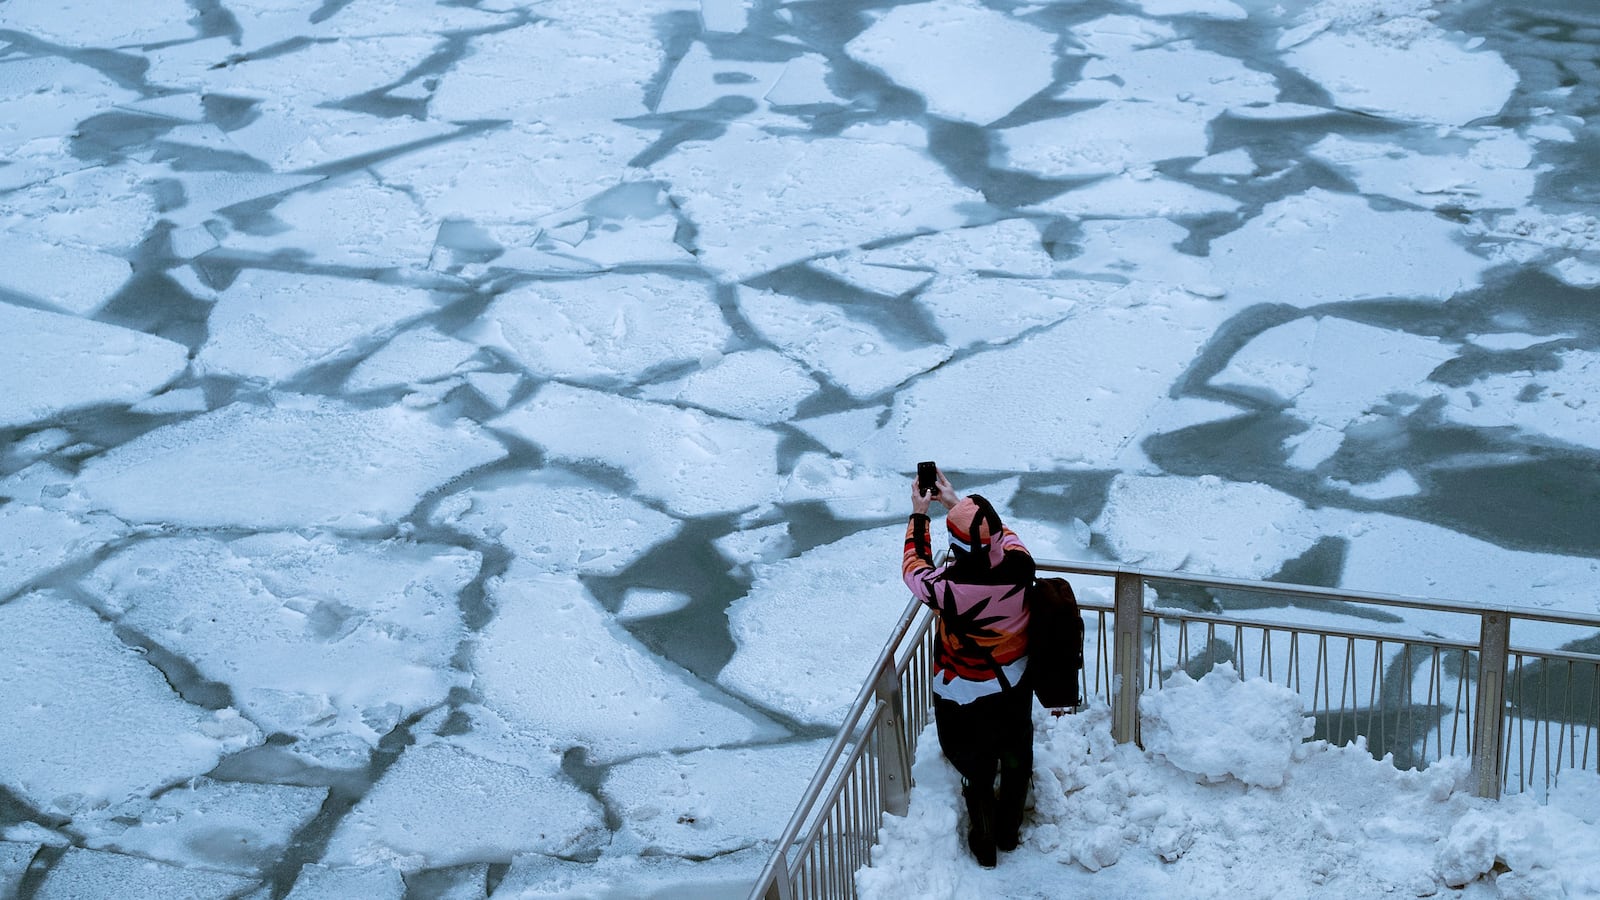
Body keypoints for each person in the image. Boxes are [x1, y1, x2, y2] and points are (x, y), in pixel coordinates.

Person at [901, 467, 1036, 868]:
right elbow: (1002, 535)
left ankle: (984, 837)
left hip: (966, 689)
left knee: (975, 760)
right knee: (1015, 751)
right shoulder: (1020, 566)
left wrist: (920, 515)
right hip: (1013, 679)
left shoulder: (949, 588)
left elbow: (914, 569)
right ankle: (1009, 830)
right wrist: (958, 504)